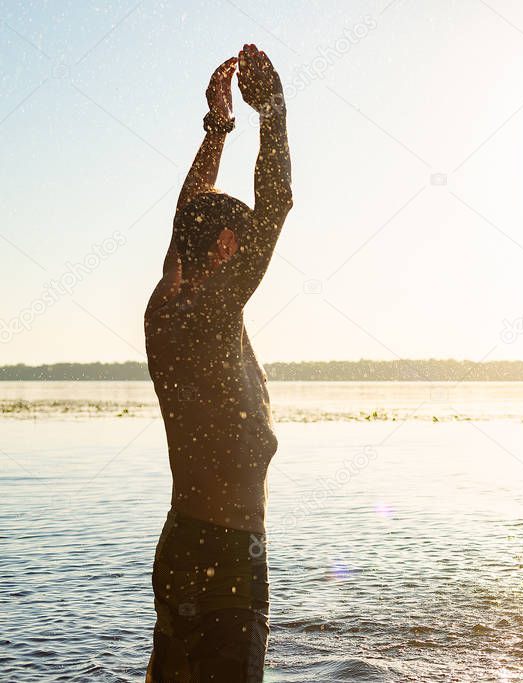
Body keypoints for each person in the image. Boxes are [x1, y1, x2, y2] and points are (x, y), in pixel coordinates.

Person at [144, 43, 292, 682]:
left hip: (187, 542)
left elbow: (186, 217)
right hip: (227, 556)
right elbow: (277, 202)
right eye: (241, 235)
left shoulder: (169, 312)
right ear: (227, 247)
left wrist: (218, 127)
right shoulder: (208, 315)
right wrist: (274, 110)